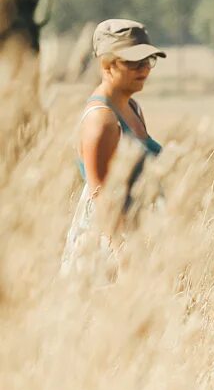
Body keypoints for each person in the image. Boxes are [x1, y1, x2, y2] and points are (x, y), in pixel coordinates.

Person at [61, 19, 165, 272]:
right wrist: (127, 259)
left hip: (136, 237)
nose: (143, 69)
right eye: (133, 62)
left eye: (148, 60)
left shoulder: (132, 107)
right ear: (106, 63)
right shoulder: (102, 119)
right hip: (105, 253)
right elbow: (102, 200)